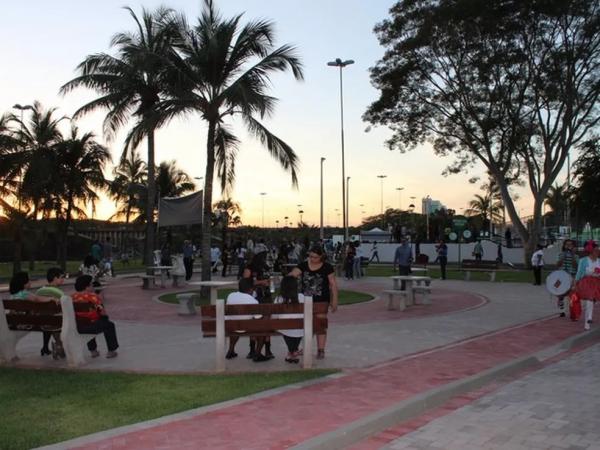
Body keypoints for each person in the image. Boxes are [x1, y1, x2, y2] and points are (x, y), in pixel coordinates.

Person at [290, 245, 338, 359]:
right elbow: (292, 275)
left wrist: (334, 300)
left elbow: (333, 284)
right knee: (306, 325)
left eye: (315, 257)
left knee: (320, 325)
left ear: (321, 256)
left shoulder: (327, 267)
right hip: (306, 301)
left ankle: (321, 350)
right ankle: (305, 347)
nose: (312, 259)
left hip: (321, 301)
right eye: (310, 256)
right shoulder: (303, 265)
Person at [9, 271, 62, 358]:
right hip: (26, 323)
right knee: (50, 322)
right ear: (23, 284)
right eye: (28, 280)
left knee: (47, 321)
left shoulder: (13, 295)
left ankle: (46, 348)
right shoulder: (24, 294)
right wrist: (51, 298)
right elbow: (38, 299)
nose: (30, 282)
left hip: (15, 322)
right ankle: (58, 346)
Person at [71, 275, 119, 358]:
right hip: (91, 326)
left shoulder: (71, 297)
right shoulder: (93, 297)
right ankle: (111, 351)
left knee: (87, 320)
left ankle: (93, 350)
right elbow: (102, 312)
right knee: (109, 325)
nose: (93, 286)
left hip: (78, 326)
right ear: (86, 287)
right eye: (91, 284)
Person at [224, 278, 269, 362]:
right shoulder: (253, 301)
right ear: (251, 289)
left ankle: (231, 350)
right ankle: (257, 353)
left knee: (236, 325)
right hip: (246, 328)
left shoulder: (231, 295)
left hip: (232, 326)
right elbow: (258, 318)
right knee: (262, 328)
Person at [242, 250, 274, 359]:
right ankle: (253, 350)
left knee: (264, 324)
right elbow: (245, 283)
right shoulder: (250, 268)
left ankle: (267, 350)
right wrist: (261, 282)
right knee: (256, 324)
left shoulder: (265, 267)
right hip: (255, 297)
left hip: (266, 296)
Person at [35, 267, 67, 357]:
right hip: (56, 322)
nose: (63, 279)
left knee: (48, 318)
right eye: (61, 277)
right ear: (55, 278)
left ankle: (49, 347)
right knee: (56, 319)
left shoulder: (39, 291)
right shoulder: (59, 292)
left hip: (42, 322)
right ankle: (59, 346)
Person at [274, 276, 305, 364]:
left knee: (285, 327)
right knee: (296, 329)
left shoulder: (279, 299)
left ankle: (292, 352)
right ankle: (293, 351)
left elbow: (275, 316)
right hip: (300, 327)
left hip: (285, 328)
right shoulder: (301, 297)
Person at [574, 242, 600, 331]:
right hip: (586, 282)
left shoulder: (599, 261)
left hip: (597, 282)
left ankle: (589, 317)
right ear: (591, 251)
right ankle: (588, 320)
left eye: (598, 250)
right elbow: (579, 272)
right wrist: (575, 283)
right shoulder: (583, 260)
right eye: (596, 250)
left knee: (592, 299)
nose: (598, 251)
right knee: (590, 298)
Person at [557, 239, 579, 317]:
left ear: (573, 246)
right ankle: (561, 310)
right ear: (564, 246)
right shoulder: (560, 254)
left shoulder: (576, 256)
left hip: (572, 276)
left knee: (572, 294)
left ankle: (572, 310)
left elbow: (576, 266)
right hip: (561, 276)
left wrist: (572, 255)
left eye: (570, 245)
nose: (568, 246)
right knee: (560, 294)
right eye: (567, 244)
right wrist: (562, 258)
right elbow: (557, 265)